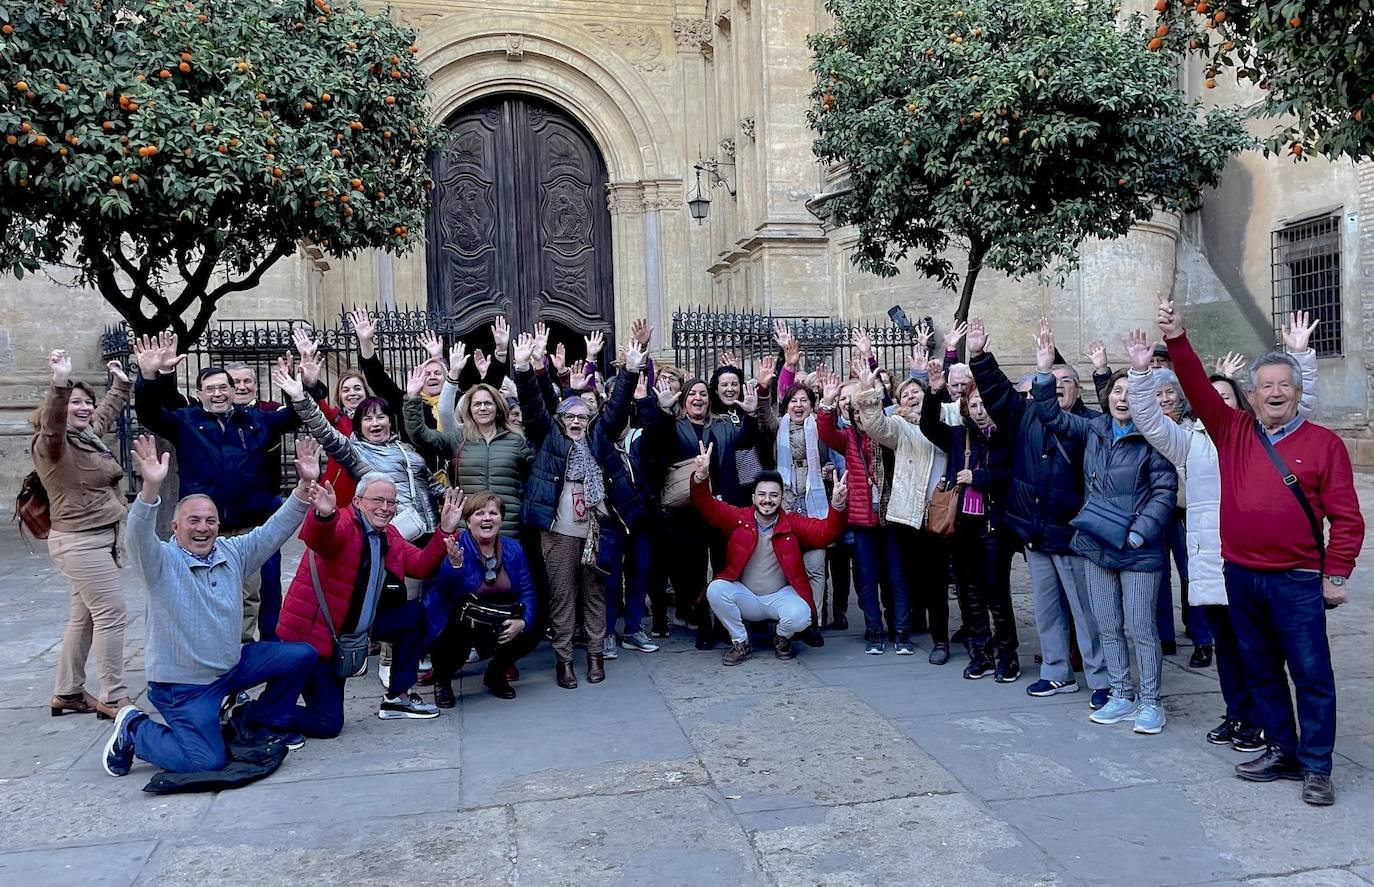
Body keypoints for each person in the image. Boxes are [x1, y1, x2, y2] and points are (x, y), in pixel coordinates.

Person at [1159, 297, 1364, 807]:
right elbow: (1198, 389)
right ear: (1251, 395)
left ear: (1298, 393)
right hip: (1242, 575)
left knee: (1312, 674)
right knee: (1263, 669)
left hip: (1296, 579)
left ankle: (1317, 766)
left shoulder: (1324, 445)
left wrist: (1336, 572)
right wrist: (1177, 338)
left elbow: (1347, 517)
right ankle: (1283, 751)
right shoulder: (1232, 431)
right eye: (1266, 386)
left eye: (1284, 385)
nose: (1275, 392)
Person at [101, 436, 322, 779]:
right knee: (206, 763)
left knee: (301, 656)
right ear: (175, 527)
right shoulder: (160, 561)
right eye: (193, 521)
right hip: (183, 687)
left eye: (210, 521)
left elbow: (271, 532)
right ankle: (135, 728)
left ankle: (258, 721)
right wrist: (150, 488)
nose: (202, 528)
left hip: (230, 671)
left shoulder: (231, 553)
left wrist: (304, 487)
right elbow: (137, 535)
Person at [1030, 322, 1177, 736]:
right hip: (1095, 542)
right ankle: (1120, 694)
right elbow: (1050, 416)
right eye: (1116, 391)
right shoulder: (1093, 428)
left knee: (1141, 627)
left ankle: (1150, 702)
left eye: (1131, 392)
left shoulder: (1156, 437)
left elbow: (1164, 493)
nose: (1122, 398)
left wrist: (1137, 533)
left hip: (1137, 546)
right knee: (1107, 624)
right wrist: (1044, 373)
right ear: (1107, 397)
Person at [966, 320, 1111, 707]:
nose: (1058, 385)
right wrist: (979, 357)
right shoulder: (1025, 415)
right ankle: (1056, 672)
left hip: (1072, 533)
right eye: (1052, 379)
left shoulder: (1091, 423)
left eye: (1065, 380)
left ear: (1078, 390)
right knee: (1046, 609)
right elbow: (998, 394)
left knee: (1085, 612)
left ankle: (1101, 677)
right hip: (1035, 531)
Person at [132, 332, 300, 643]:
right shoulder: (185, 421)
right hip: (205, 530)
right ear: (199, 393)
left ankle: (242, 664)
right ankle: (209, 656)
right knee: (202, 598)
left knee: (249, 600)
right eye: (210, 389)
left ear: (234, 390)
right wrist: (148, 375)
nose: (218, 393)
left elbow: (295, 417)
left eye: (224, 387)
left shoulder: (256, 421)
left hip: (248, 529)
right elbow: (149, 413)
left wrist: (304, 387)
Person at [273, 474, 463, 734]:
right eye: (378, 500)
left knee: (412, 615)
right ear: (357, 501)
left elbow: (420, 565)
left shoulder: (388, 534)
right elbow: (319, 539)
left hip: (353, 630)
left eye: (391, 502)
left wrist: (445, 530)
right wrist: (325, 516)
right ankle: (253, 713)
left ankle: (398, 698)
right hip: (314, 639)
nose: (385, 508)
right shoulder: (342, 523)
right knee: (327, 724)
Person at [513, 327, 647, 688]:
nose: (576, 421)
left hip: (596, 530)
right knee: (562, 595)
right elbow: (531, 405)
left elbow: (617, 409)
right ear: (560, 421)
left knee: (594, 593)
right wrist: (524, 369)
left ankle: (595, 656)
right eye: (569, 417)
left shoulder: (597, 438)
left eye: (581, 417)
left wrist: (631, 372)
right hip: (559, 532)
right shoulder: (550, 438)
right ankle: (564, 660)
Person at [32, 350, 134, 719]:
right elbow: (55, 421)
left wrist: (120, 383)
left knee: (85, 616)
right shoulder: (53, 445)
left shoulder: (87, 436)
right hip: (81, 541)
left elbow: (105, 413)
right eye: (76, 402)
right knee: (112, 613)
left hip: (100, 538)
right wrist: (60, 384)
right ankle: (113, 695)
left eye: (87, 402)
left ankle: (68, 691)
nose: (85, 408)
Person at [692, 446, 849, 665]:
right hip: (746, 595)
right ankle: (741, 642)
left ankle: (782, 638)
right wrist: (701, 476)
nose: (768, 500)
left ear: (781, 498)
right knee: (716, 590)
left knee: (801, 616)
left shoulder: (792, 522)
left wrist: (838, 505)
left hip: (779, 596)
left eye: (774, 495)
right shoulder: (739, 518)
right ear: (753, 497)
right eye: (763, 495)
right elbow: (706, 505)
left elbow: (826, 533)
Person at [918, 354, 1019, 682]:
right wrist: (934, 392)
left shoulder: (1006, 436)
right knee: (969, 590)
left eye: (983, 403)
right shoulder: (960, 435)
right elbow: (929, 426)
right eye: (973, 404)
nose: (978, 409)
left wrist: (980, 478)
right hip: (963, 524)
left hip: (993, 524)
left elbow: (1012, 475)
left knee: (996, 591)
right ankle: (980, 651)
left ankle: (1007, 654)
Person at [275, 367, 441, 543]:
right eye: (368, 419)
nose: (375, 423)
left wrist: (460, 500)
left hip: (431, 529)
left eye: (380, 417)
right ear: (359, 426)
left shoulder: (405, 448)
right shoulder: (356, 449)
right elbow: (322, 428)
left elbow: (432, 485)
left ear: (390, 421)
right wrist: (300, 398)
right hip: (397, 531)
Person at [856, 367, 949, 663]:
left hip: (946, 511)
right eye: (905, 394)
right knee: (915, 578)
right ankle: (931, 635)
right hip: (912, 512)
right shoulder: (900, 426)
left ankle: (949, 638)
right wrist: (868, 393)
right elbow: (875, 426)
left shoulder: (948, 416)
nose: (911, 397)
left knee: (945, 581)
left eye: (916, 392)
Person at [425, 492, 540, 704]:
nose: (487, 518)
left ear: (501, 520)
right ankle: (442, 680)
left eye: (493, 513)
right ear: (468, 521)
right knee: (454, 630)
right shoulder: (455, 545)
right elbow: (443, 590)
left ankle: (495, 675)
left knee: (532, 627)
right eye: (479, 513)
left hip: (494, 615)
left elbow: (528, 592)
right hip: (457, 619)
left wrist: (522, 623)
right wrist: (455, 565)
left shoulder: (514, 549)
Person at [818, 366, 900, 656]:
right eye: (855, 413)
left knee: (895, 576)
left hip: (890, 515)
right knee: (866, 577)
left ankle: (898, 629)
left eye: (863, 411)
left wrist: (870, 385)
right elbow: (826, 432)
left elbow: (890, 409)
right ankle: (873, 629)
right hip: (862, 517)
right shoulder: (849, 439)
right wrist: (827, 403)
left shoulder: (890, 432)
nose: (860, 418)